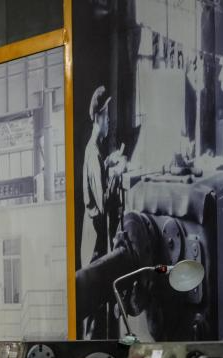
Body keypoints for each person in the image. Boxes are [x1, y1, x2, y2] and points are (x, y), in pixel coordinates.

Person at [80, 85, 126, 338]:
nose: (109, 122)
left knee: (96, 313)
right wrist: (117, 175)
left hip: (93, 240)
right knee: (93, 319)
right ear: (98, 118)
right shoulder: (93, 153)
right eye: (107, 117)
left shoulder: (95, 152)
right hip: (95, 245)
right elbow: (104, 202)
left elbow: (97, 177)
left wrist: (110, 162)